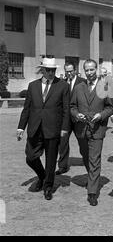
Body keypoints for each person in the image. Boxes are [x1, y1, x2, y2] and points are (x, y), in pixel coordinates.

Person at [16, 57, 70, 201]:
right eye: (48, 70)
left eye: (53, 70)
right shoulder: (32, 86)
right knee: (30, 157)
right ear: (42, 70)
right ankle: (42, 176)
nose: (51, 73)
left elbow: (66, 110)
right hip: (35, 128)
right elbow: (27, 108)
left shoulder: (63, 86)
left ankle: (48, 187)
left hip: (53, 129)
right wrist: (21, 127)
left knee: (51, 161)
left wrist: (65, 128)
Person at [70, 59, 113, 206]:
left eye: (92, 70)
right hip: (81, 130)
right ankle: (92, 178)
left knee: (94, 160)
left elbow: (110, 108)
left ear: (97, 70)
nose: (89, 73)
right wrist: (76, 115)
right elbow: (72, 107)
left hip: (97, 129)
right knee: (86, 156)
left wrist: (101, 115)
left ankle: (92, 192)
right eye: (87, 70)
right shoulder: (78, 88)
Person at [56, 62, 86, 175]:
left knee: (83, 142)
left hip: (78, 118)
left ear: (75, 70)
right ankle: (62, 166)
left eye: (71, 71)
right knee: (62, 142)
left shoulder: (83, 81)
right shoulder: (62, 83)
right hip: (65, 120)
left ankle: (87, 160)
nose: (69, 73)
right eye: (67, 71)